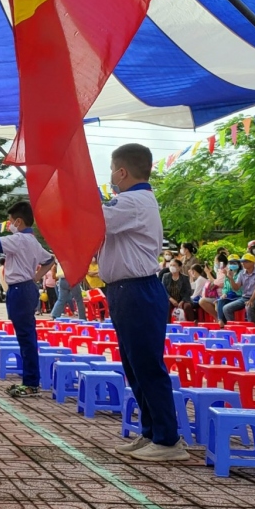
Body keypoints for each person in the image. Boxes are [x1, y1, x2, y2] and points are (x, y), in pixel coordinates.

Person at [100, 144, 185, 463]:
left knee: (147, 366)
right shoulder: (130, 201)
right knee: (135, 366)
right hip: (126, 291)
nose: (110, 176)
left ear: (122, 172)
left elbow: (95, 221)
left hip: (137, 290)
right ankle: (151, 431)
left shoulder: (132, 201)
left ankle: (167, 440)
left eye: (111, 169)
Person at [0, 204, 54, 397]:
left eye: (10, 221)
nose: (8, 225)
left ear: (18, 221)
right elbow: (49, 260)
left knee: (25, 337)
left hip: (20, 290)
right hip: (26, 287)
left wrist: (33, 277)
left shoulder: (19, 238)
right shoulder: (32, 241)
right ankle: (30, 379)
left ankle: (31, 382)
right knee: (26, 336)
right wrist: (36, 277)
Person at [222, 254, 255, 325]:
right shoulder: (241, 273)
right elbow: (236, 288)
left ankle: (251, 328)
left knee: (249, 307)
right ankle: (234, 327)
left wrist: (251, 300)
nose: (243, 263)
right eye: (242, 262)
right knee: (226, 308)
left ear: (253, 263)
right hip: (244, 298)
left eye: (246, 262)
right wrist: (231, 278)